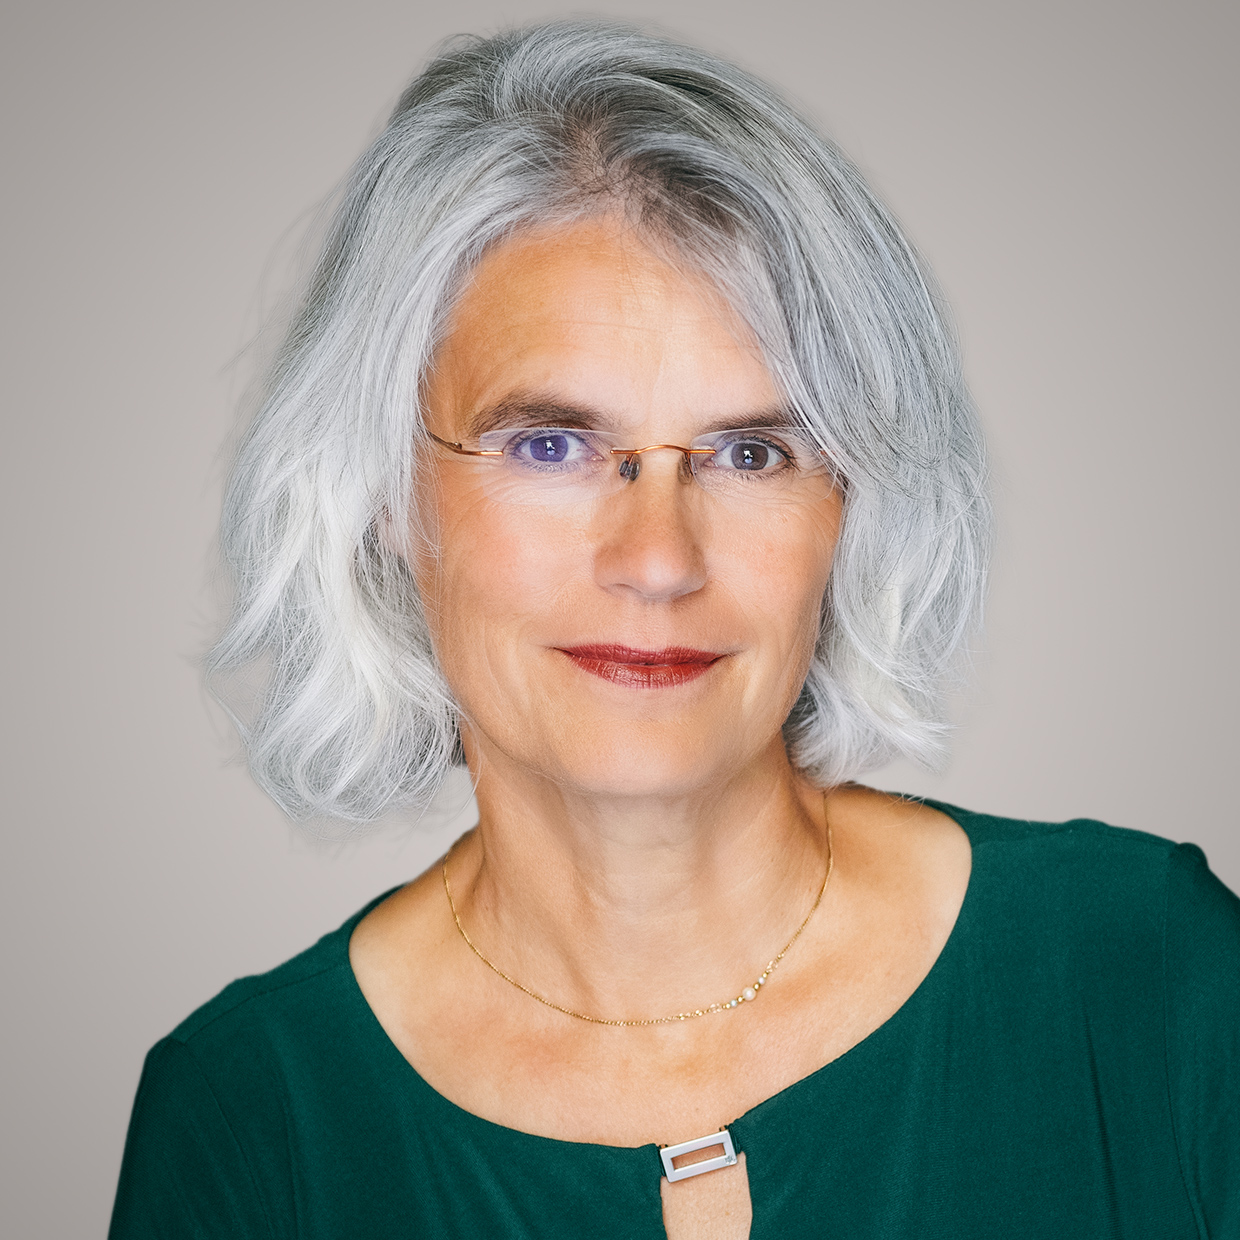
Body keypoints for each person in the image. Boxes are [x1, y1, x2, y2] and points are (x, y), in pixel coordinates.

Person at [108, 20, 1239, 1240]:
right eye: (550, 443)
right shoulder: (249, 1116)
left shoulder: (1142, 972)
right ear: (382, 490)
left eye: (751, 453)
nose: (657, 559)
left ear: (854, 504)